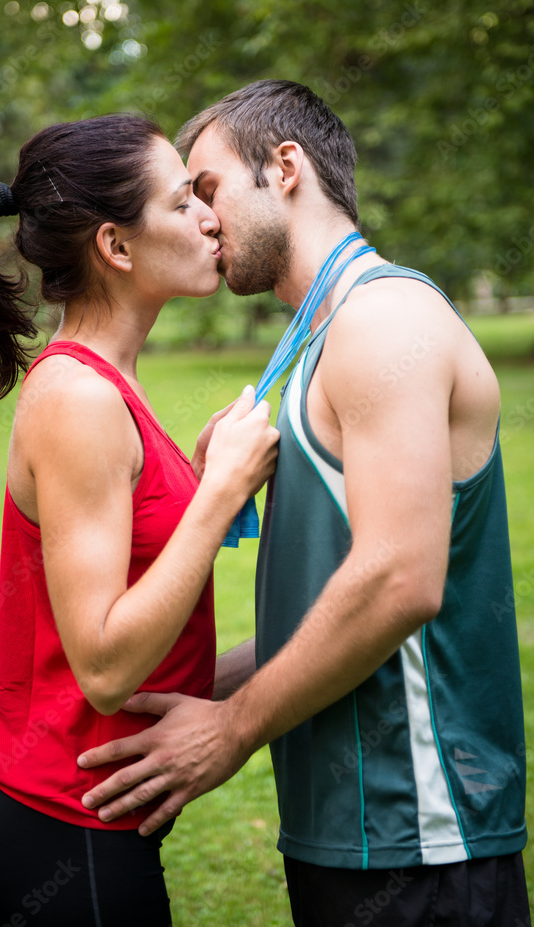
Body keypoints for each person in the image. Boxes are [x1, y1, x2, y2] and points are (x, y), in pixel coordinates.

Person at [77, 81, 530, 926]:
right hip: (344, 833)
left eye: (206, 191)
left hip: (422, 835)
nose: (201, 221)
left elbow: (400, 581)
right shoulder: (313, 341)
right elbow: (333, 595)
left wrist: (234, 728)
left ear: (285, 167)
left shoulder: (383, 320)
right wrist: (203, 689)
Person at [0, 113, 279, 927]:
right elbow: (105, 669)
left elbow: (150, 678)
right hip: (59, 840)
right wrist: (219, 494)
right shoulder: (79, 400)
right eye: (183, 199)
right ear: (117, 248)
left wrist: (303, 653)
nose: (210, 216)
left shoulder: (111, 388)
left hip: (79, 829)